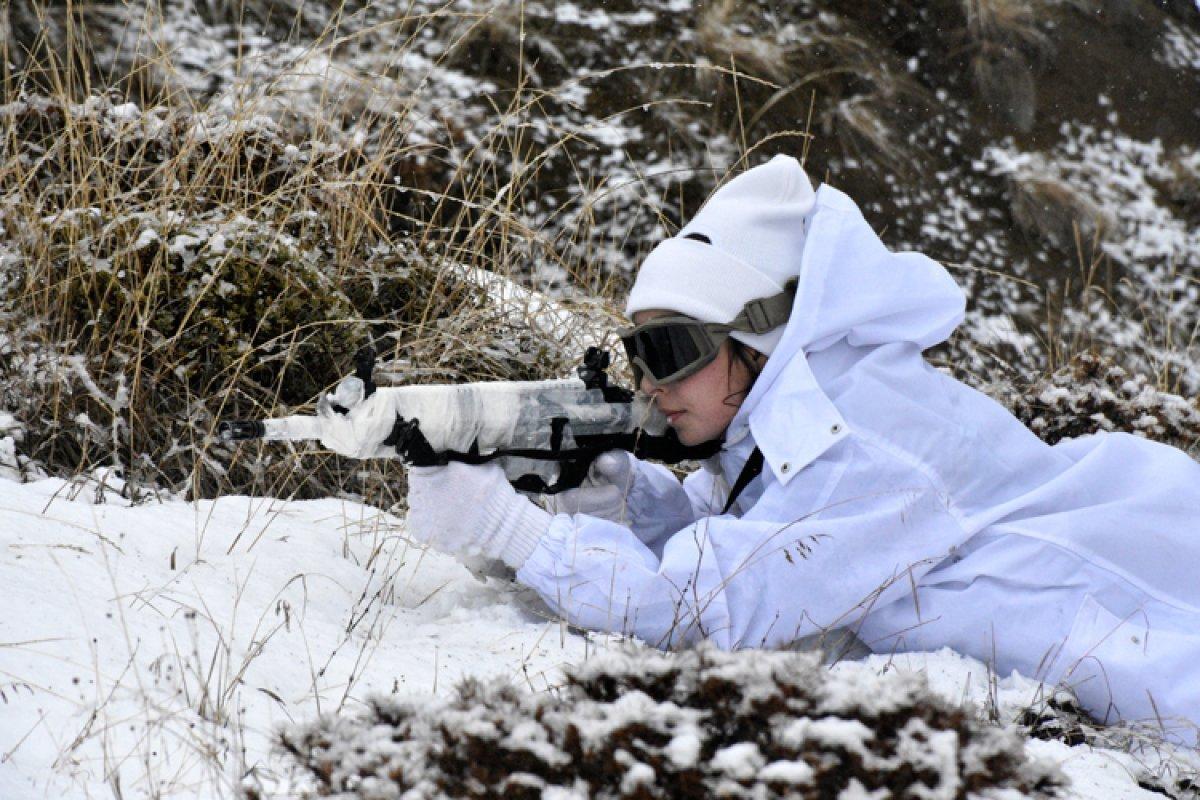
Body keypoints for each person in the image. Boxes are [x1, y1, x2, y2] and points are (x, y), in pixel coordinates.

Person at [324, 155, 1200, 737]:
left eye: (672, 352)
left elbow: (704, 608)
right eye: (640, 352)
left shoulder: (856, 445)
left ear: (759, 340)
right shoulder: (806, 406)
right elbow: (748, 529)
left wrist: (514, 532)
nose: (651, 384)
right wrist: (608, 498)